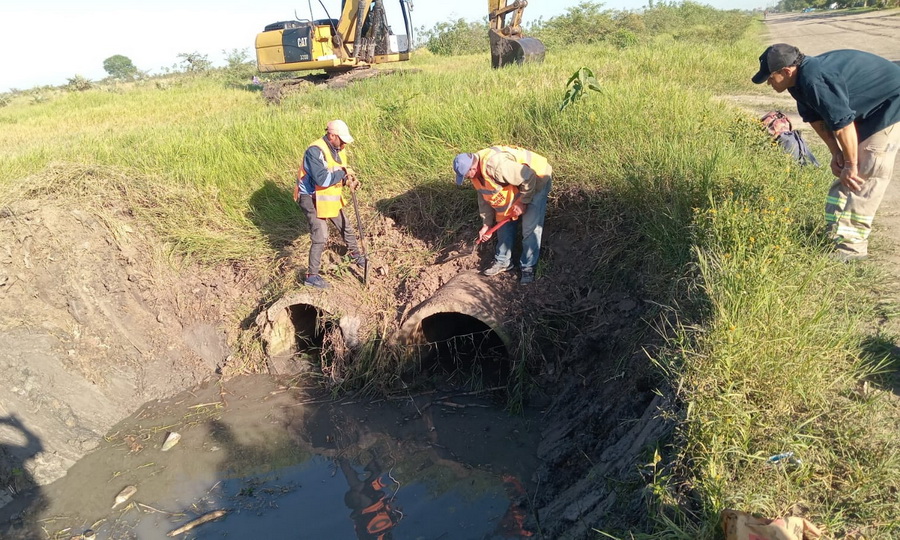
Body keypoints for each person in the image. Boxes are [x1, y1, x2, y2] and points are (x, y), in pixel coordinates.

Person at [752, 43, 900, 261]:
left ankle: (852, 251)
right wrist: (836, 154)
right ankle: (834, 233)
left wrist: (851, 164)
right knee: (845, 171)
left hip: (890, 101)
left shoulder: (814, 79)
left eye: (770, 77)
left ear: (786, 71)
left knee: (867, 171)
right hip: (864, 109)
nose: (768, 83)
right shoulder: (796, 82)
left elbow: (842, 124)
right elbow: (817, 119)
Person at [453, 146, 552, 284]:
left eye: (465, 176)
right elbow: (484, 198)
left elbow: (528, 177)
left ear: (472, 168)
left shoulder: (496, 166)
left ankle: (528, 267)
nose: (466, 179)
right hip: (518, 182)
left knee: (530, 227)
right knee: (503, 222)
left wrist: (522, 202)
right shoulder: (476, 175)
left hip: (537, 177)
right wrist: (486, 225)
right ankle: (503, 261)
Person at [295, 119, 366, 288]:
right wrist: (342, 175)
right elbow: (323, 178)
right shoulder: (315, 151)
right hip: (310, 197)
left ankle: (356, 255)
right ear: (331, 135)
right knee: (321, 236)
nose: (344, 144)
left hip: (328, 195)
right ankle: (311, 276)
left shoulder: (339, 149)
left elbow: (342, 170)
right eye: (341, 140)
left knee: (345, 225)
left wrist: (349, 179)